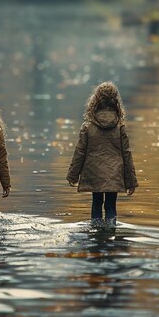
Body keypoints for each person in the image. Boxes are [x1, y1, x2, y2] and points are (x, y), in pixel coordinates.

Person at [66, 81, 138, 226]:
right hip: (114, 173)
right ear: (115, 102)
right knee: (111, 206)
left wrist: (72, 176)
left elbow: (79, 152)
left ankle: (96, 233)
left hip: (94, 173)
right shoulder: (120, 127)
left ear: (95, 100)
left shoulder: (88, 126)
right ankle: (111, 231)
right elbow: (127, 155)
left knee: (96, 203)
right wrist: (131, 182)